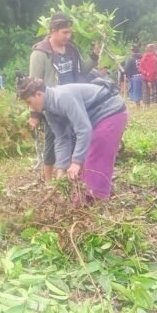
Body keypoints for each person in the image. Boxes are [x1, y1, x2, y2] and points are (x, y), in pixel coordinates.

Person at [17, 78, 128, 205]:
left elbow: (84, 129)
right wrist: (61, 169)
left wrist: (76, 162)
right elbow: (61, 139)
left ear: (38, 94)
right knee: (82, 159)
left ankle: (98, 200)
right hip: (94, 119)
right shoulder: (48, 111)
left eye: (29, 102)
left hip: (111, 111)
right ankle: (85, 197)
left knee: (95, 154)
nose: (30, 107)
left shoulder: (62, 97)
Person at [28, 12, 98, 182]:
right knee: (54, 140)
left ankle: (70, 177)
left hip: (72, 101)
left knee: (75, 137)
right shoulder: (40, 53)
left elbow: (82, 70)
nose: (68, 36)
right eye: (64, 32)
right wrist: (34, 114)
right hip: (52, 103)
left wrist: (94, 55)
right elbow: (33, 85)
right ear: (53, 31)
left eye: (70, 32)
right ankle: (48, 181)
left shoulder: (72, 49)